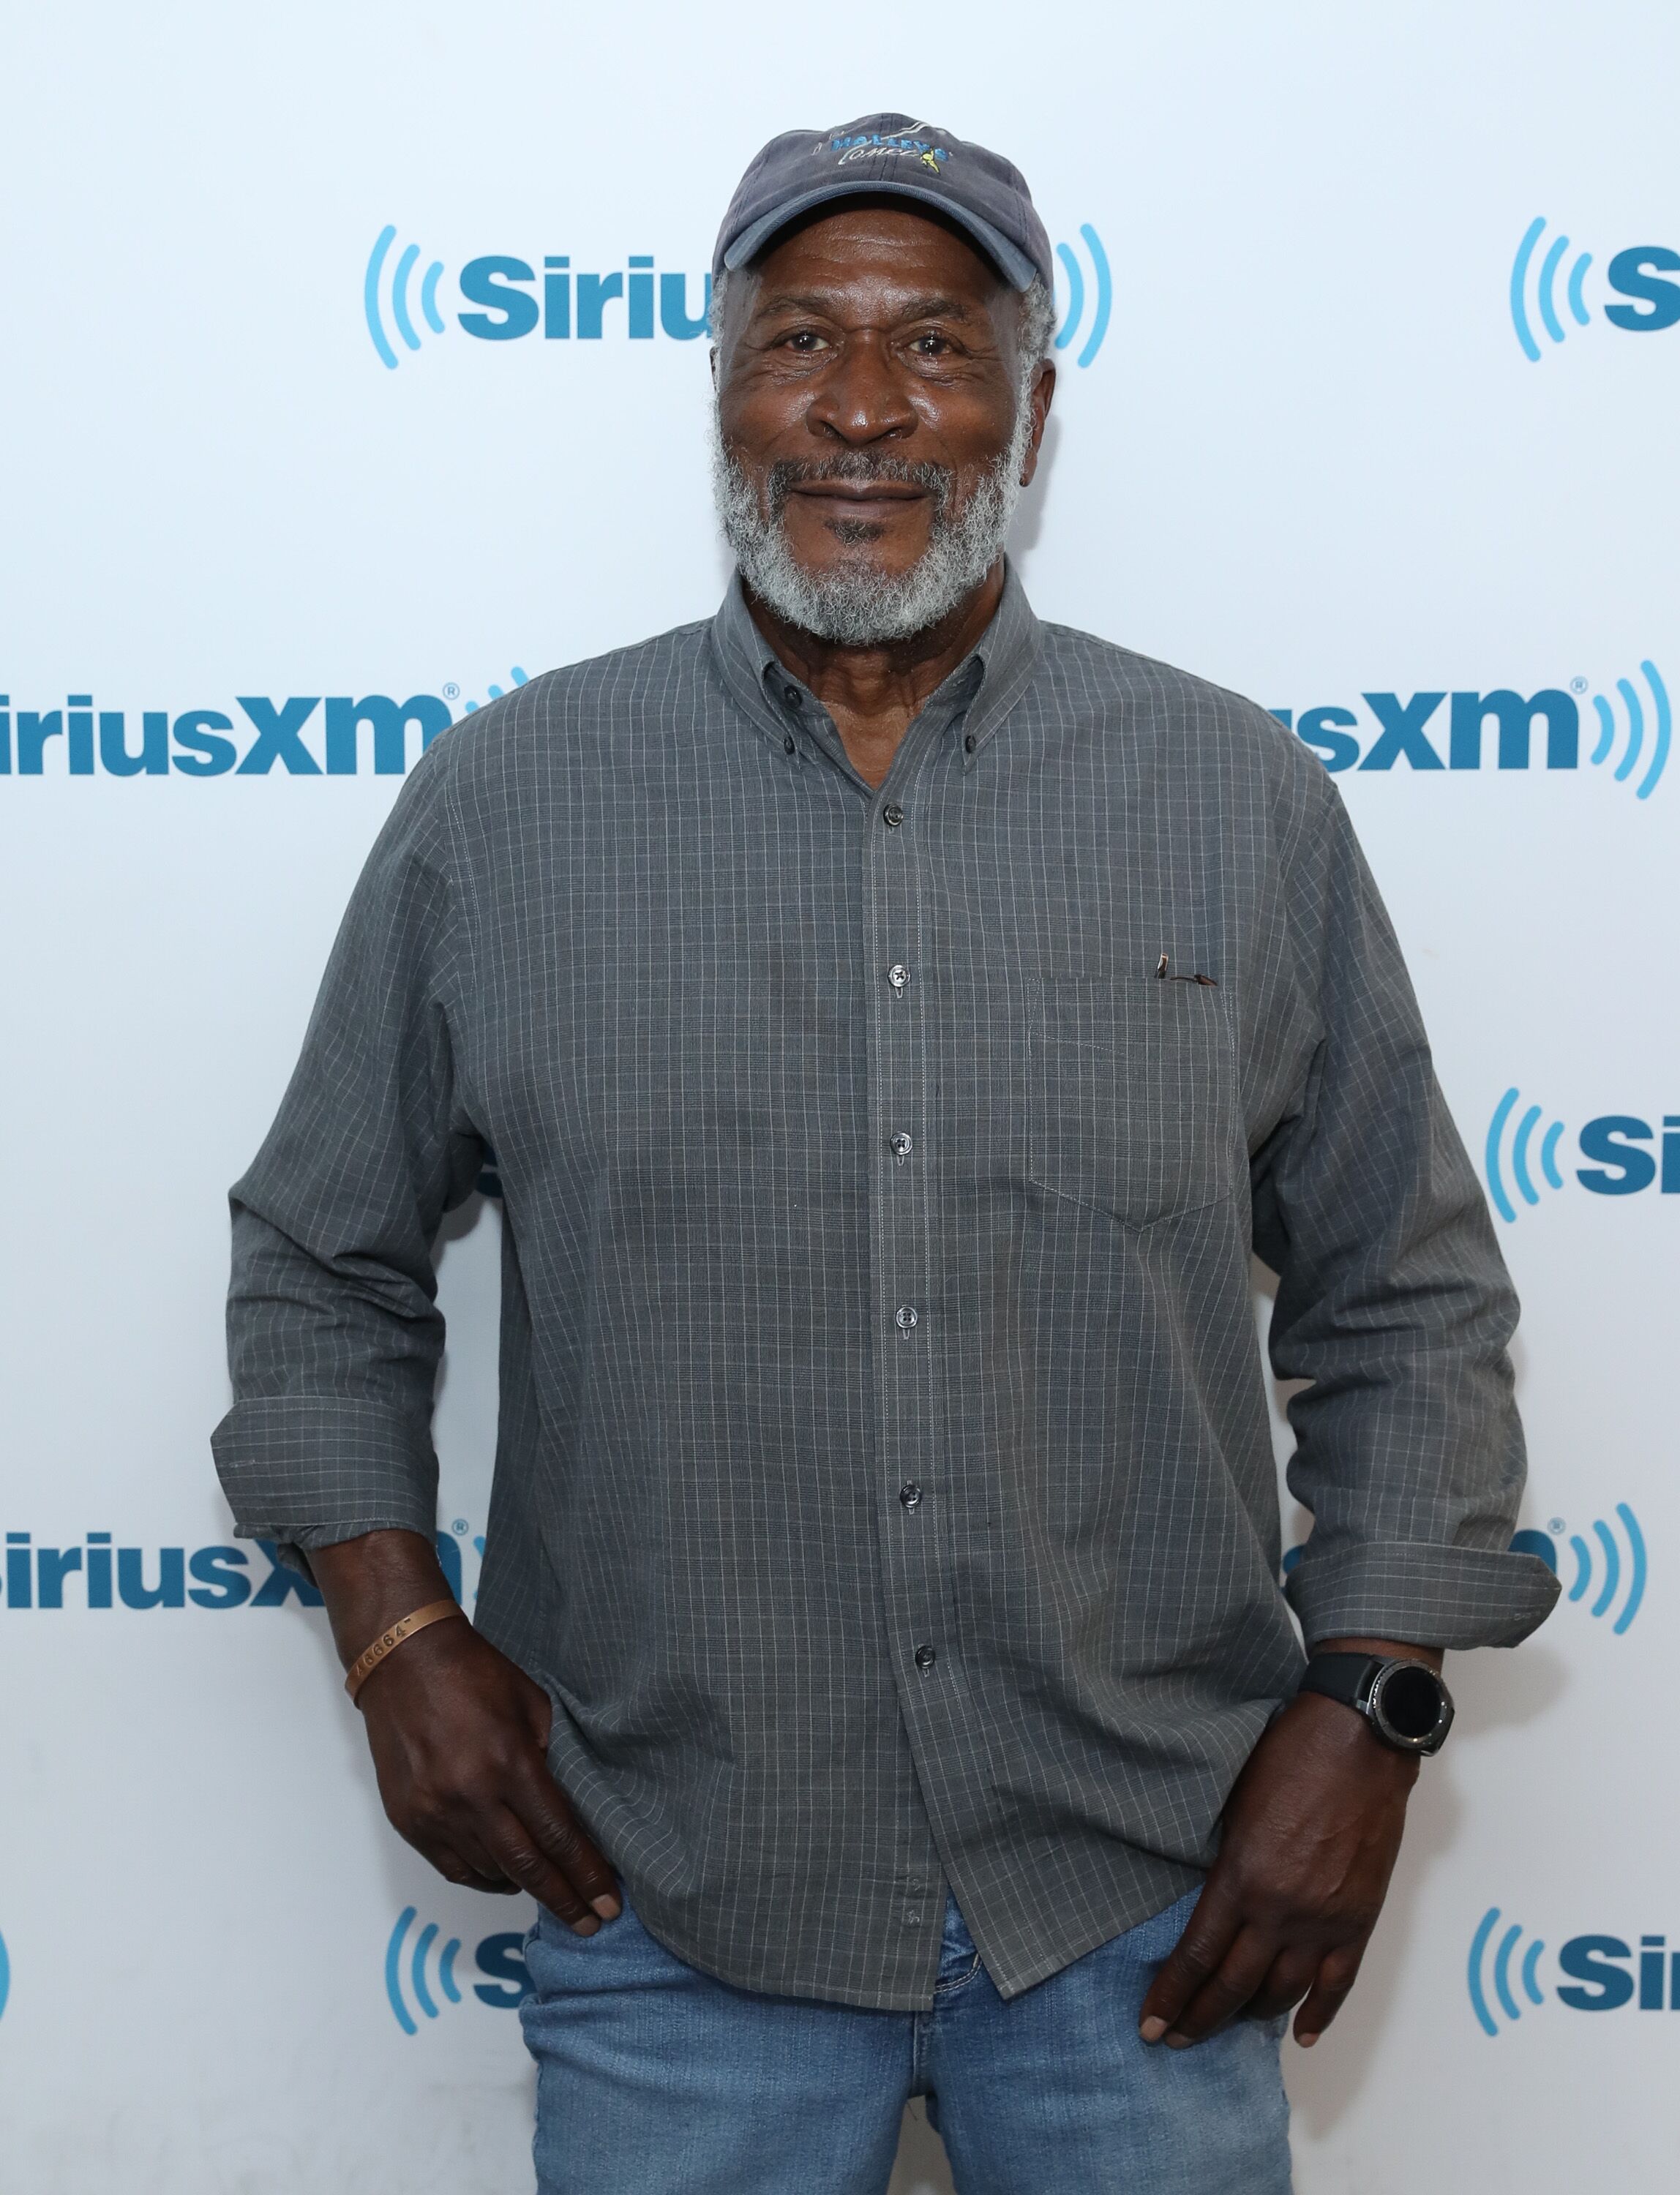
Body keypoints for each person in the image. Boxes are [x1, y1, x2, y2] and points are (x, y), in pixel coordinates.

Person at [213, 112, 1559, 2195]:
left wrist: (1364, 1718)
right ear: (724, 389)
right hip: (674, 1900)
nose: (859, 410)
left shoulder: (1237, 801)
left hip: (1143, 1905)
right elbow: (323, 1257)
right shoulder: (509, 804)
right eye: (798, 341)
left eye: (935, 345)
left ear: (1037, 404)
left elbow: (1410, 1297)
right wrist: (399, 1635)